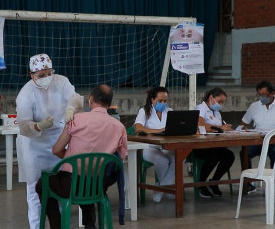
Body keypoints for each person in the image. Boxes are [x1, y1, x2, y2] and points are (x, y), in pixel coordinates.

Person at [35, 84, 127, 229]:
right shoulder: (119, 127)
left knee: (41, 184)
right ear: (110, 104)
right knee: (89, 179)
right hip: (98, 186)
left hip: (70, 185)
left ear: (90, 99)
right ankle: (90, 224)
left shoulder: (76, 119)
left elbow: (56, 150)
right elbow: (118, 161)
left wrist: (74, 159)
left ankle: (56, 226)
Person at [15, 54, 83, 229]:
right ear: (32, 74)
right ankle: (36, 226)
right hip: (33, 145)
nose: (46, 78)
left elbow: (75, 97)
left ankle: (57, 225)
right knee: (34, 189)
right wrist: (38, 126)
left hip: (58, 141)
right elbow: (23, 125)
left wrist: (70, 108)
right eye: (41, 75)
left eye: (48, 73)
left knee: (59, 185)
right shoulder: (26, 93)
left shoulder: (61, 81)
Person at [240, 81, 275, 195]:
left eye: (265, 95)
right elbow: (243, 124)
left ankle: (274, 185)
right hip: (259, 141)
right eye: (260, 95)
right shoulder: (254, 106)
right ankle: (249, 184)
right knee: (245, 153)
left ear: (273, 93)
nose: (262, 97)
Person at [134, 86, 175, 203]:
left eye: (165, 101)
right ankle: (168, 188)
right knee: (162, 160)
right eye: (160, 101)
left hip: (167, 146)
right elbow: (138, 128)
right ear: (152, 100)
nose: (163, 103)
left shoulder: (169, 111)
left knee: (180, 157)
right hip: (149, 147)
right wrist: (159, 131)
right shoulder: (145, 111)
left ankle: (161, 187)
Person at [193, 87, 235, 198]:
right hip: (199, 145)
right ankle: (201, 185)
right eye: (219, 101)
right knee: (213, 157)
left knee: (229, 156)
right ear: (211, 97)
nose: (221, 104)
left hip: (213, 144)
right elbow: (200, 124)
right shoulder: (200, 108)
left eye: (223, 102)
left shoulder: (217, 112)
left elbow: (219, 129)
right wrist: (220, 127)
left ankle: (214, 182)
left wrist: (225, 130)